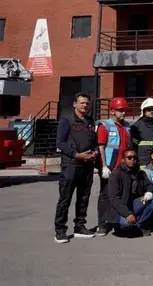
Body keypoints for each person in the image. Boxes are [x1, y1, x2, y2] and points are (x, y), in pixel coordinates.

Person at [54, 92, 98, 243]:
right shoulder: (67, 120)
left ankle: (80, 226)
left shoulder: (90, 121)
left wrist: (95, 153)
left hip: (87, 165)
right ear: (75, 104)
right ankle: (60, 230)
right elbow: (60, 142)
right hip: (71, 165)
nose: (85, 105)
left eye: (87, 103)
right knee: (65, 198)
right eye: (82, 102)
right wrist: (77, 155)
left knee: (83, 198)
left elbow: (94, 141)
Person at [96, 97, 131, 236]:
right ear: (112, 111)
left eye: (124, 110)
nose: (123, 113)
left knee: (120, 196)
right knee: (105, 195)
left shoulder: (127, 126)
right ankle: (102, 224)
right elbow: (101, 147)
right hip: (109, 167)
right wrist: (104, 166)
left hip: (122, 168)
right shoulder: (105, 126)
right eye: (120, 110)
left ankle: (117, 222)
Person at [107, 148, 153, 237]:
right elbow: (114, 198)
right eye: (129, 157)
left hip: (135, 204)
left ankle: (140, 225)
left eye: (134, 157)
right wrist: (128, 214)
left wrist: (149, 193)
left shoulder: (140, 173)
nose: (132, 160)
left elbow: (150, 185)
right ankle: (122, 225)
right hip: (122, 207)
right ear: (123, 160)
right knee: (126, 225)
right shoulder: (116, 174)